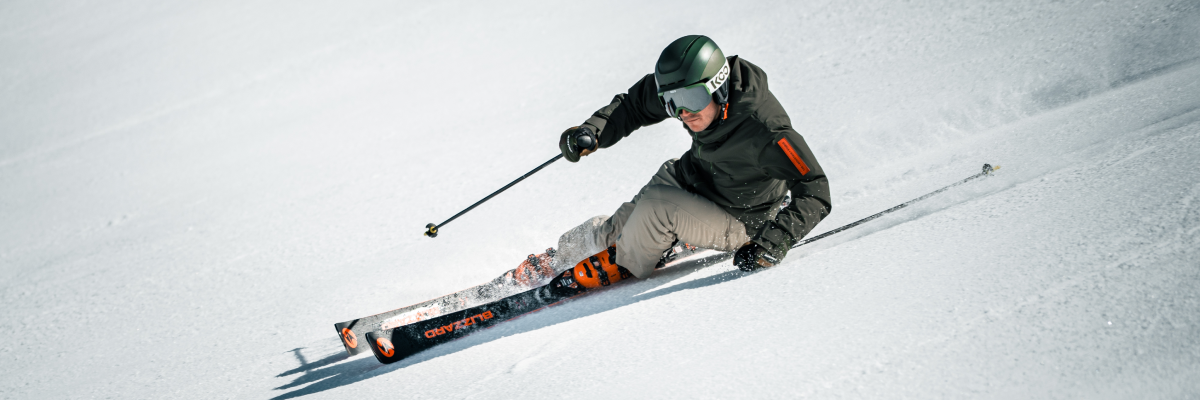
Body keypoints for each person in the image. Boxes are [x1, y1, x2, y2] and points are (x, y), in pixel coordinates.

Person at [514, 35, 831, 289]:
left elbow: (815, 189)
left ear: (719, 87)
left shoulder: (765, 130)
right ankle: (561, 256)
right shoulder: (687, 92)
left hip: (742, 218)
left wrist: (772, 243)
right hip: (697, 180)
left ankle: (624, 261)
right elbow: (634, 105)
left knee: (657, 208)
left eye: (692, 99)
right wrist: (592, 132)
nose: (684, 112)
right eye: (672, 103)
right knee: (617, 226)